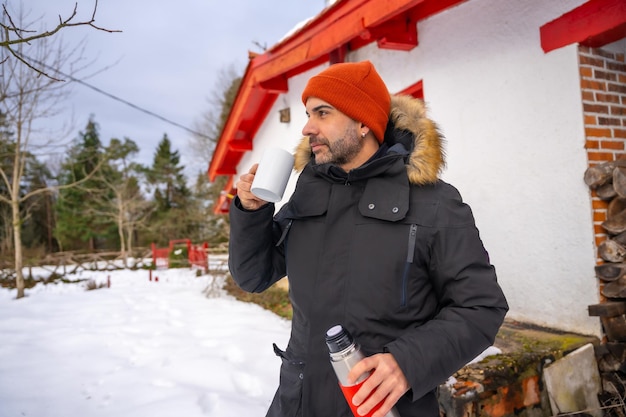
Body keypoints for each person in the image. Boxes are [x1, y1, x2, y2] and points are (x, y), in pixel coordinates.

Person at [228, 60, 508, 417]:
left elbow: (481, 307)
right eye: (308, 114)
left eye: (322, 113)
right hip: (296, 403)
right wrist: (250, 211)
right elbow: (253, 276)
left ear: (363, 123)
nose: (307, 127)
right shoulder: (309, 192)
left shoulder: (434, 203)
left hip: (383, 408)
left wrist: (407, 362)